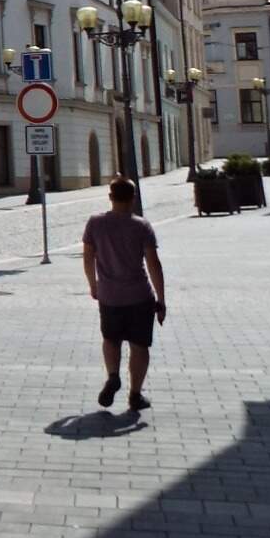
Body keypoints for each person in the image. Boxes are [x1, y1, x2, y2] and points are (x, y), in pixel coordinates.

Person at [82, 176, 166, 411]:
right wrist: (161, 299)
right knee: (139, 346)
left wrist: (93, 285)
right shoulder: (141, 226)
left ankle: (112, 376)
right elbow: (154, 264)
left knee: (111, 339)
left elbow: (88, 258)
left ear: (110, 197)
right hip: (139, 296)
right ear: (133, 198)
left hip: (109, 296)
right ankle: (135, 395)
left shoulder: (95, 223)